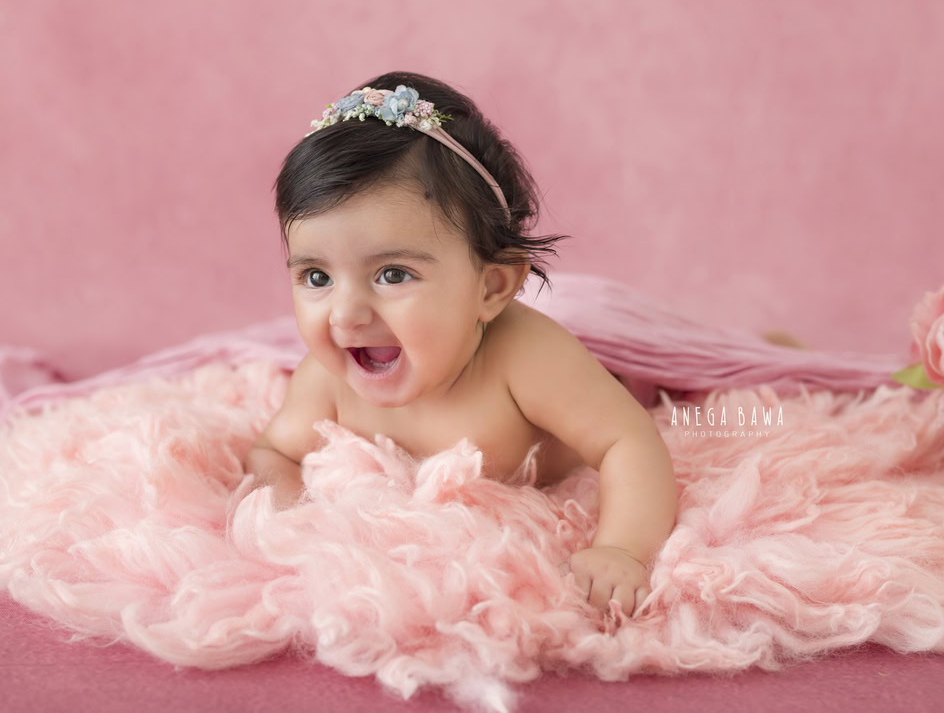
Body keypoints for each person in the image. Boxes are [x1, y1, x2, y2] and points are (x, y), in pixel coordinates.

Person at [243, 71, 677, 619]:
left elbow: (628, 441)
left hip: (612, 377)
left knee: (675, 387)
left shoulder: (527, 359)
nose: (347, 315)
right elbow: (272, 452)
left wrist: (622, 548)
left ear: (491, 287)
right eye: (317, 278)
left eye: (393, 274)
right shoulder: (325, 380)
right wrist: (291, 513)